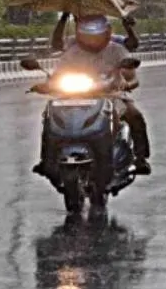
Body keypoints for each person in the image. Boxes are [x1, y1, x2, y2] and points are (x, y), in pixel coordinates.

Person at [33, 15, 152, 180]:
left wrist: (127, 84)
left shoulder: (117, 49)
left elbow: (132, 77)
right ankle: (47, 159)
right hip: (74, 96)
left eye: (96, 32)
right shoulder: (72, 51)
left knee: (134, 114)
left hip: (111, 96)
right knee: (49, 116)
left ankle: (140, 158)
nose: (92, 38)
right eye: (87, 33)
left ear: (107, 31)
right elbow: (57, 74)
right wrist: (47, 85)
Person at [51, 12, 140, 52]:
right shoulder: (74, 41)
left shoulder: (112, 40)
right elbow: (56, 44)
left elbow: (133, 44)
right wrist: (64, 17)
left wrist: (128, 28)